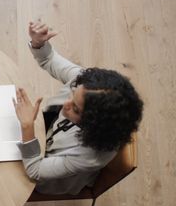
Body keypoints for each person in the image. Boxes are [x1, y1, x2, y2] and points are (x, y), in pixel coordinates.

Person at [12, 21, 143, 195]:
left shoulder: (90, 155)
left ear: (93, 124)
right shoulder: (86, 86)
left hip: (43, 176)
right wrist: (39, 43)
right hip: (42, 136)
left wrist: (27, 127)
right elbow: (49, 59)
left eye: (75, 109)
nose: (65, 105)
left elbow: (35, 170)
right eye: (73, 94)